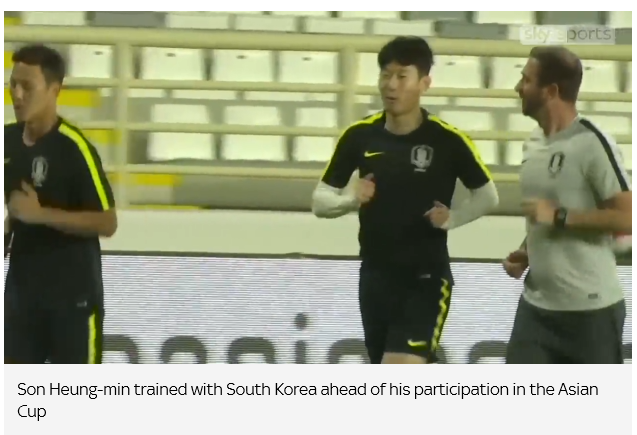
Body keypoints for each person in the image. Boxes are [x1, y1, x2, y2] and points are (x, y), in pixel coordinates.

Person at [311, 36, 499, 364]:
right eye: (386, 75)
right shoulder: (360, 135)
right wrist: (349, 200)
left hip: (425, 277)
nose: (391, 85)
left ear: (424, 83)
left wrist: (453, 218)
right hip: (374, 276)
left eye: (402, 76)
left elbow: (488, 196)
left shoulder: (447, 140)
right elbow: (320, 200)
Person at [504, 46, 631, 364]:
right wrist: (527, 250)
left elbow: (628, 217)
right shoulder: (533, 143)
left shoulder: (592, 142)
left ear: (551, 91)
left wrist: (559, 217)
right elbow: (545, 213)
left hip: (590, 312)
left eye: (526, 80)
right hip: (536, 309)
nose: (518, 87)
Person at [4, 44, 117, 364]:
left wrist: (41, 215)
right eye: (13, 84)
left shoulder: (74, 148)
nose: (17, 95)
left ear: (54, 90)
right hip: (22, 300)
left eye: (28, 86)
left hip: (73, 302)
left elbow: (107, 222)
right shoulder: (6, 141)